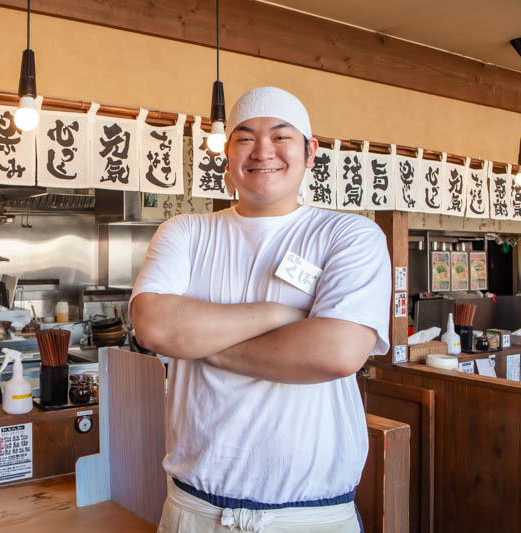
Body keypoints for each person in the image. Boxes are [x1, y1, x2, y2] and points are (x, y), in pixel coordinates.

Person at [130, 86, 391, 532]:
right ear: (227, 155)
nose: (263, 151)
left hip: (312, 514)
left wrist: (200, 344)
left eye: (281, 136)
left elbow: (337, 352)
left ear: (311, 153)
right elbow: (153, 326)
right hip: (194, 511)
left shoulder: (349, 235)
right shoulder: (186, 232)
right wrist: (280, 314)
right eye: (245, 137)